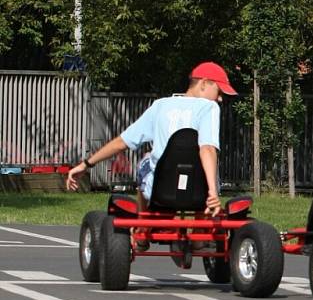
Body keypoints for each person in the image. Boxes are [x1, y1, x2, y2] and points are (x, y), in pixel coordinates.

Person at [66, 62, 237, 226]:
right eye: (219, 91)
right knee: (204, 165)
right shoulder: (209, 107)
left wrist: (86, 164)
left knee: (145, 160)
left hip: (159, 190)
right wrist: (213, 192)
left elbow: (122, 142)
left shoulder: (160, 106)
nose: (220, 99)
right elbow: (207, 148)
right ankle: (200, 235)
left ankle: (143, 225)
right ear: (204, 83)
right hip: (200, 191)